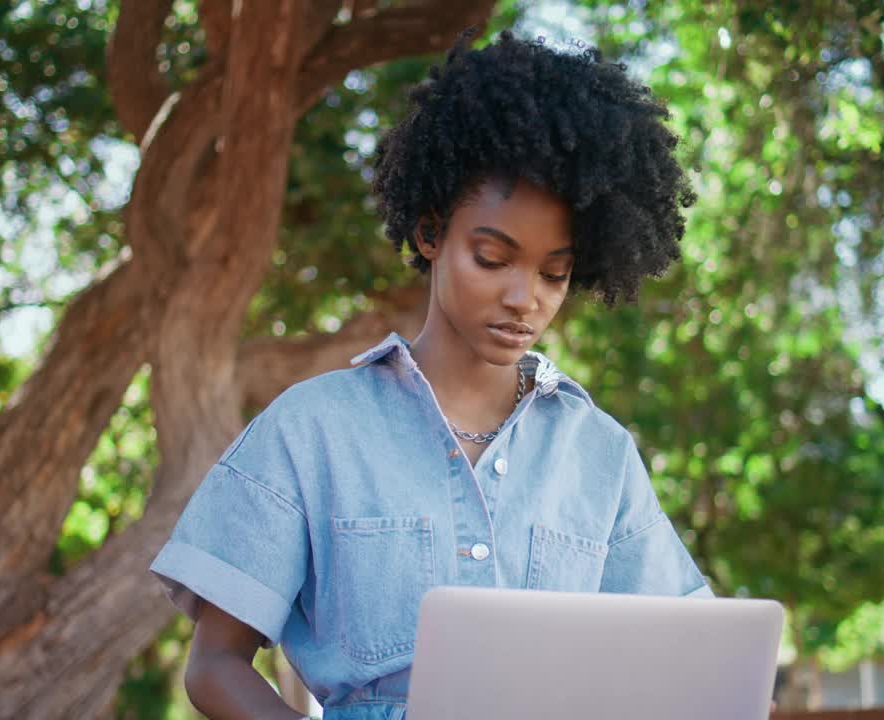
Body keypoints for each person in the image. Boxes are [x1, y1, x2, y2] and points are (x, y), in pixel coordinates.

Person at [150, 29, 711, 720]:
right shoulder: (312, 429)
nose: (524, 298)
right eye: (492, 257)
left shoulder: (601, 455)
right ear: (429, 233)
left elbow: (686, 660)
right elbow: (214, 666)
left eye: (553, 273)